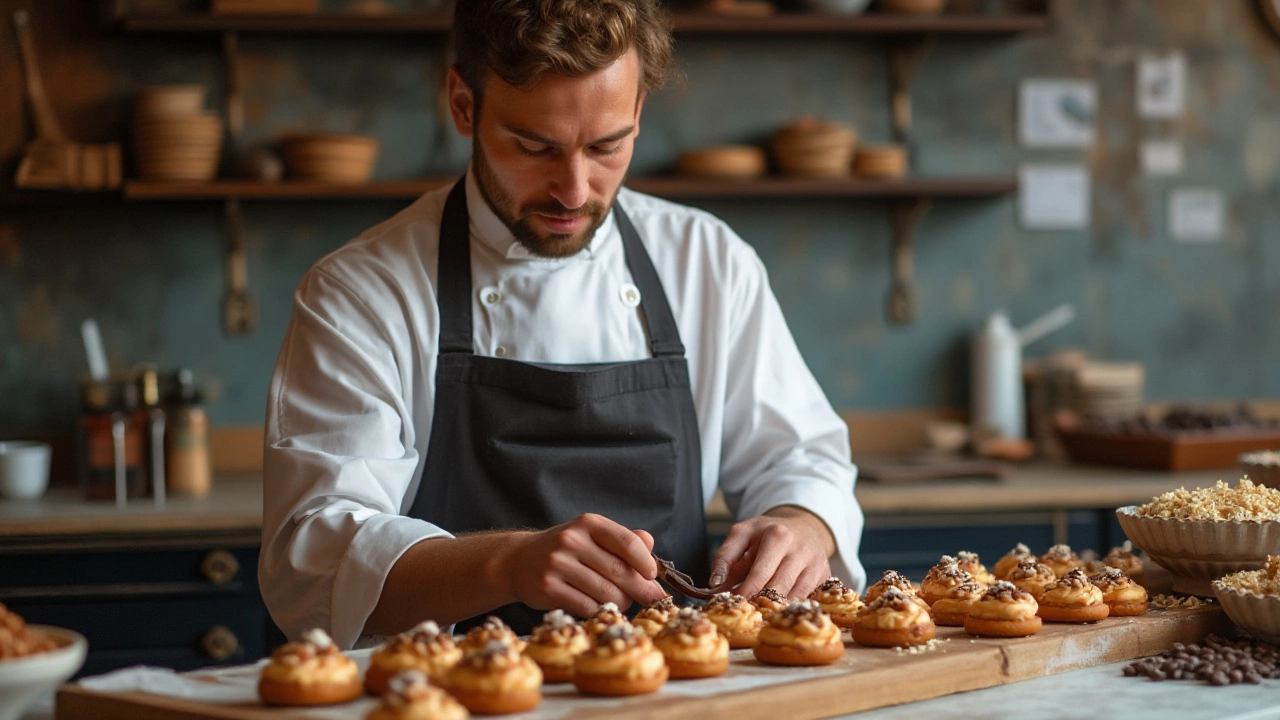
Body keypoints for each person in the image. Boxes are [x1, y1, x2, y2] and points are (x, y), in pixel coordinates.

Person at [259, 0, 864, 648]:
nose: (573, 190)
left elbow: (801, 458)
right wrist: (507, 564)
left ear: (637, 114)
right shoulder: (361, 292)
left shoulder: (708, 264)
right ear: (464, 105)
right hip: (445, 696)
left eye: (606, 146)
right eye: (534, 147)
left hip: (674, 694)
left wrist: (804, 524)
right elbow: (315, 552)